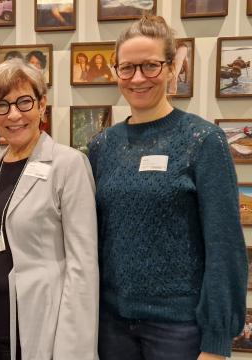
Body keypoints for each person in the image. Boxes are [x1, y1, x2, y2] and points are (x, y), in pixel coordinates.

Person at [88, 15, 247, 360]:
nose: (138, 78)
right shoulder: (102, 146)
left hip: (178, 330)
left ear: (173, 68)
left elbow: (225, 247)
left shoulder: (203, 141)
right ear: (115, 72)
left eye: (151, 66)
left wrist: (216, 343)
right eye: (127, 68)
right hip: (112, 325)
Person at [0, 59, 99, 359]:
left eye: (24, 102)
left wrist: (72, 350)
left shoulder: (68, 165)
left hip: (41, 329)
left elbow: (83, 267)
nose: (13, 114)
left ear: (42, 105)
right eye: (1, 105)